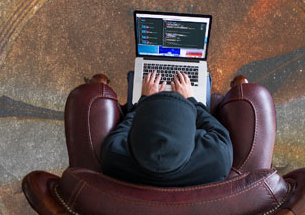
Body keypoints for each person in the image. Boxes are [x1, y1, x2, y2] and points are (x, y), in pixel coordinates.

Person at [99, 71, 233, 187]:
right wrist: (190, 99)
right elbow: (214, 126)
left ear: (133, 135)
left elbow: (125, 125)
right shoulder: (219, 158)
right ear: (192, 134)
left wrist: (144, 99)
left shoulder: (112, 154)